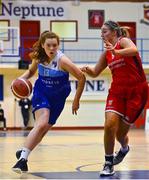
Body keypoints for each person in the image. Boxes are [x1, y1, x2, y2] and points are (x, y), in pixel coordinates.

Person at [12, 31, 86, 173]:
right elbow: (31, 72)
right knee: (42, 122)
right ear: (42, 45)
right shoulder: (38, 57)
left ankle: (23, 150)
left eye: (55, 45)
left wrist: (76, 100)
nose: (52, 48)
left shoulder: (62, 60)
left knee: (42, 131)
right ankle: (22, 160)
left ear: (58, 45)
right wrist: (19, 80)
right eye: (49, 45)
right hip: (42, 93)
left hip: (58, 97)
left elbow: (81, 78)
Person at [81, 20, 148, 176]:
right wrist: (84, 69)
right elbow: (96, 72)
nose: (101, 34)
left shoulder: (123, 41)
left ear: (115, 32)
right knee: (110, 125)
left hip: (137, 91)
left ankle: (124, 148)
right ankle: (108, 163)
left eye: (104, 31)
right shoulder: (106, 53)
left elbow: (134, 50)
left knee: (120, 135)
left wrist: (117, 52)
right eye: (101, 31)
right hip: (117, 92)